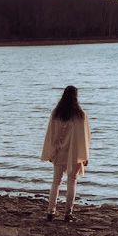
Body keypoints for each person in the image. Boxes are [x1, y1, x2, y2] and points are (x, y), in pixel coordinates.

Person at [41, 85, 91, 222]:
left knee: (56, 182)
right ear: (76, 97)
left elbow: (50, 134)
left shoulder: (56, 113)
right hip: (74, 154)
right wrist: (85, 156)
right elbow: (85, 137)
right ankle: (68, 213)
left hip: (59, 152)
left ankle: (50, 212)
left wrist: (51, 152)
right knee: (72, 181)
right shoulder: (80, 115)